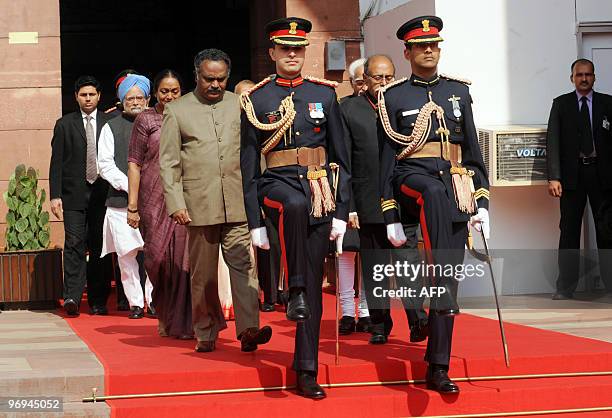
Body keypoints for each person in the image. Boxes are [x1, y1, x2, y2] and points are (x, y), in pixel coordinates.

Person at [377, 16, 490, 393]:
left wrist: (482, 204)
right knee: (433, 193)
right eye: (421, 45)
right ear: (407, 52)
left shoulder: (458, 92)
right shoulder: (393, 96)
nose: (429, 49)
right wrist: (390, 213)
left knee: (449, 284)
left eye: (435, 44)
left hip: (455, 184)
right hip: (412, 179)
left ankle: (438, 367)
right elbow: (384, 159)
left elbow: (473, 152)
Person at [240, 17, 350, 399]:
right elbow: (248, 162)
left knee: (317, 292)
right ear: (271, 52)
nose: (291, 54)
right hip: (277, 183)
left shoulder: (324, 94)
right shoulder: (257, 98)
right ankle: (295, 289)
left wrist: (340, 213)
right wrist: (254, 220)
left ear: (304, 53)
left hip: (321, 189)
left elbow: (342, 158)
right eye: (284, 48)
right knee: (294, 202)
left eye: (297, 48)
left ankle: (306, 370)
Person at [159, 48, 271, 354]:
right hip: (198, 205)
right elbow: (168, 163)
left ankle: (249, 329)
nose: (216, 85)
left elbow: (253, 153)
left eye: (222, 79)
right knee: (204, 276)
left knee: (244, 267)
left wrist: (259, 195)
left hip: (237, 201)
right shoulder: (177, 110)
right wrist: (176, 203)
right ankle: (206, 332)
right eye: (209, 79)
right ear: (197, 75)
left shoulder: (240, 105)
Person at [341, 54, 429, 342]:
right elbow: (344, 162)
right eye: (377, 77)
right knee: (375, 267)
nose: (383, 83)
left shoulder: (405, 101)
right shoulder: (349, 109)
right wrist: (349, 207)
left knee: (407, 263)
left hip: (402, 197)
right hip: (368, 200)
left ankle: (417, 320)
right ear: (364, 80)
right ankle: (379, 324)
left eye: (389, 77)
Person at [127, 69, 193, 338]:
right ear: (155, 93)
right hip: (152, 199)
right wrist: (132, 206)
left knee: (182, 262)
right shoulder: (146, 119)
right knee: (157, 259)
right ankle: (164, 311)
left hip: (184, 196)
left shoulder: (189, 115)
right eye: (164, 91)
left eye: (174, 91)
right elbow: (134, 163)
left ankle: (182, 323)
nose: (169, 96)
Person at [547, 58, 612, 299]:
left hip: (602, 177)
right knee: (569, 232)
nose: (584, 79)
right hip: (572, 178)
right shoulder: (561, 104)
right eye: (579, 75)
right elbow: (552, 141)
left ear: (594, 77)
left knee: (607, 233)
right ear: (572, 78)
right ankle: (565, 287)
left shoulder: (608, 103)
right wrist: (554, 177)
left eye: (588, 74)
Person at [49, 75, 113, 317]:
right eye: (83, 95)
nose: (88, 98)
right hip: (73, 194)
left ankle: (98, 300)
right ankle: (72, 297)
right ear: (76, 97)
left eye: (92, 94)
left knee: (99, 245)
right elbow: (56, 163)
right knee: (74, 243)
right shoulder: (64, 124)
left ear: (99, 96)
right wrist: (55, 195)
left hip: (102, 193)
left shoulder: (109, 122)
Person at [98, 74, 153, 319]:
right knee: (126, 255)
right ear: (122, 101)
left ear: (148, 98)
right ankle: (135, 303)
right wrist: (131, 186)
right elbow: (105, 165)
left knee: (155, 253)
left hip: (155, 200)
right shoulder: (111, 126)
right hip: (120, 202)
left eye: (139, 97)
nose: (135, 102)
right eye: (130, 98)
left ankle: (153, 300)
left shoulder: (160, 122)